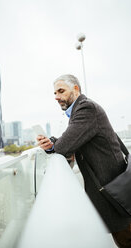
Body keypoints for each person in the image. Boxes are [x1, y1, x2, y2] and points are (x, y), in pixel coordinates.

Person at [37, 74, 131, 248]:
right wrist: (52, 143)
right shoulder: (80, 110)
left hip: (112, 189)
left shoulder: (86, 109)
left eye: (61, 91)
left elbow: (65, 145)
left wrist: (53, 146)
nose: (56, 97)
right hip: (111, 186)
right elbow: (72, 139)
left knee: (126, 237)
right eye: (55, 93)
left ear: (76, 89)